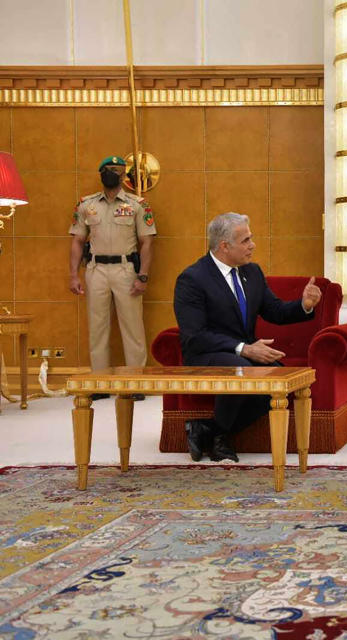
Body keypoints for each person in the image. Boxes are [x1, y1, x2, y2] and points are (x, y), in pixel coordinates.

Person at [173, 212, 322, 463]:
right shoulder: (192, 279)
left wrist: (304, 305)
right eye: (246, 240)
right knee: (242, 370)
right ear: (224, 246)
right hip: (206, 354)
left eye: (251, 239)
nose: (252, 245)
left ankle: (209, 430)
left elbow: (274, 311)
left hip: (242, 353)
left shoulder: (251, 272)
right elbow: (195, 335)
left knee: (280, 380)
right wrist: (243, 349)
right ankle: (219, 441)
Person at [68, 156, 155, 401]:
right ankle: (100, 381)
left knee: (132, 326)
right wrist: (74, 274)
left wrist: (143, 276)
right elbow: (77, 240)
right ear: (100, 173)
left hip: (126, 269)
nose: (111, 173)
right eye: (107, 169)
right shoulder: (86, 204)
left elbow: (147, 242)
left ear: (123, 174)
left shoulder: (138, 205)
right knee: (97, 327)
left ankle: (135, 382)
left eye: (115, 170)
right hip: (96, 269)